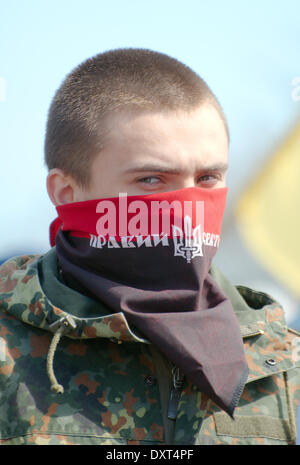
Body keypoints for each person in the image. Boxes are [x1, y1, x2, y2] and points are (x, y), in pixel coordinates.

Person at [0, 48, 300, 446]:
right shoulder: (9, 350)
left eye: (208, 177)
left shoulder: (282, 361)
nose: (188, 208)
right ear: (67, 193)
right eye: (153, 180)